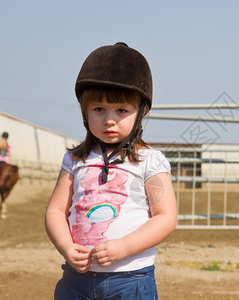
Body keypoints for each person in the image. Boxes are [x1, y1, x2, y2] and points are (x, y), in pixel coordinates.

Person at [45, 42, 177, 300]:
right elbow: (55, 210)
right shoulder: (74, 160)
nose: (109, 119)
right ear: (85, 111)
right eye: (98, 109)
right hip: (76, 280)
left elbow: (165, 216)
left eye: (121, 110)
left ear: (141, 113)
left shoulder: (150, 161)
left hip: (130, 281)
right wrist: (65, 247)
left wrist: (124, 246)